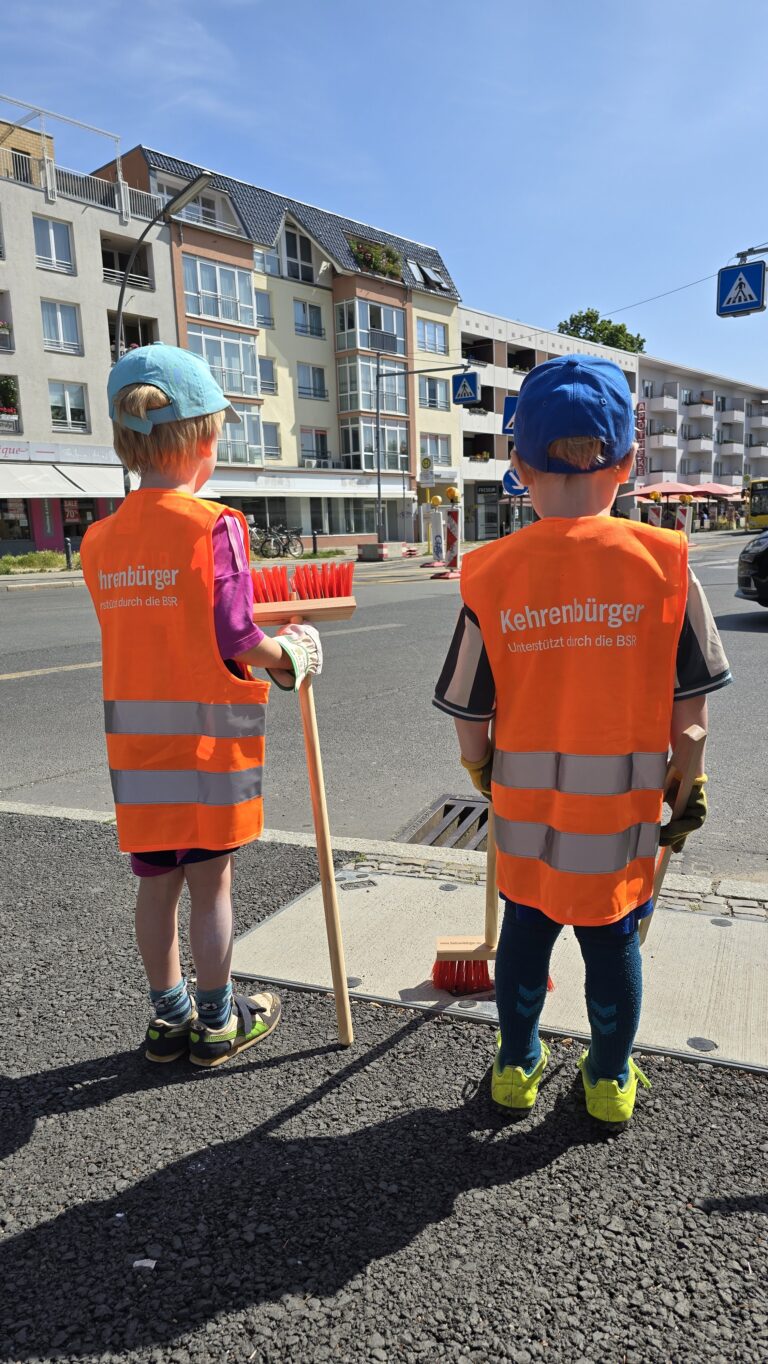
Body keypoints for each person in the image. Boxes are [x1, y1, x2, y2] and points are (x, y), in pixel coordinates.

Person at [434, 355, 731, 1124]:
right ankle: (605, 1080)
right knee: (612, 943)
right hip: (621, 817)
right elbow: (691, 711)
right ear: (627, 464)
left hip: (526, 814)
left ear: (518, 465)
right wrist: (686, 780)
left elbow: (470, 710)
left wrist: (480, 768)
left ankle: (515, 1066)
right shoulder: (664, 565)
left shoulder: (491, 572)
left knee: (528, 933)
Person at [81, 344, 322, 1068]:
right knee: (211, 884)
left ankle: (168, 1018)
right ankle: (219, 1021)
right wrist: (294, 656)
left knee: (156, 889)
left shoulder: (97, 542)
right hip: (209, 745)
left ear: (126, 442)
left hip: (136, 751)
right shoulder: (215, 525)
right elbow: (237, 636)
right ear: (205, 439)